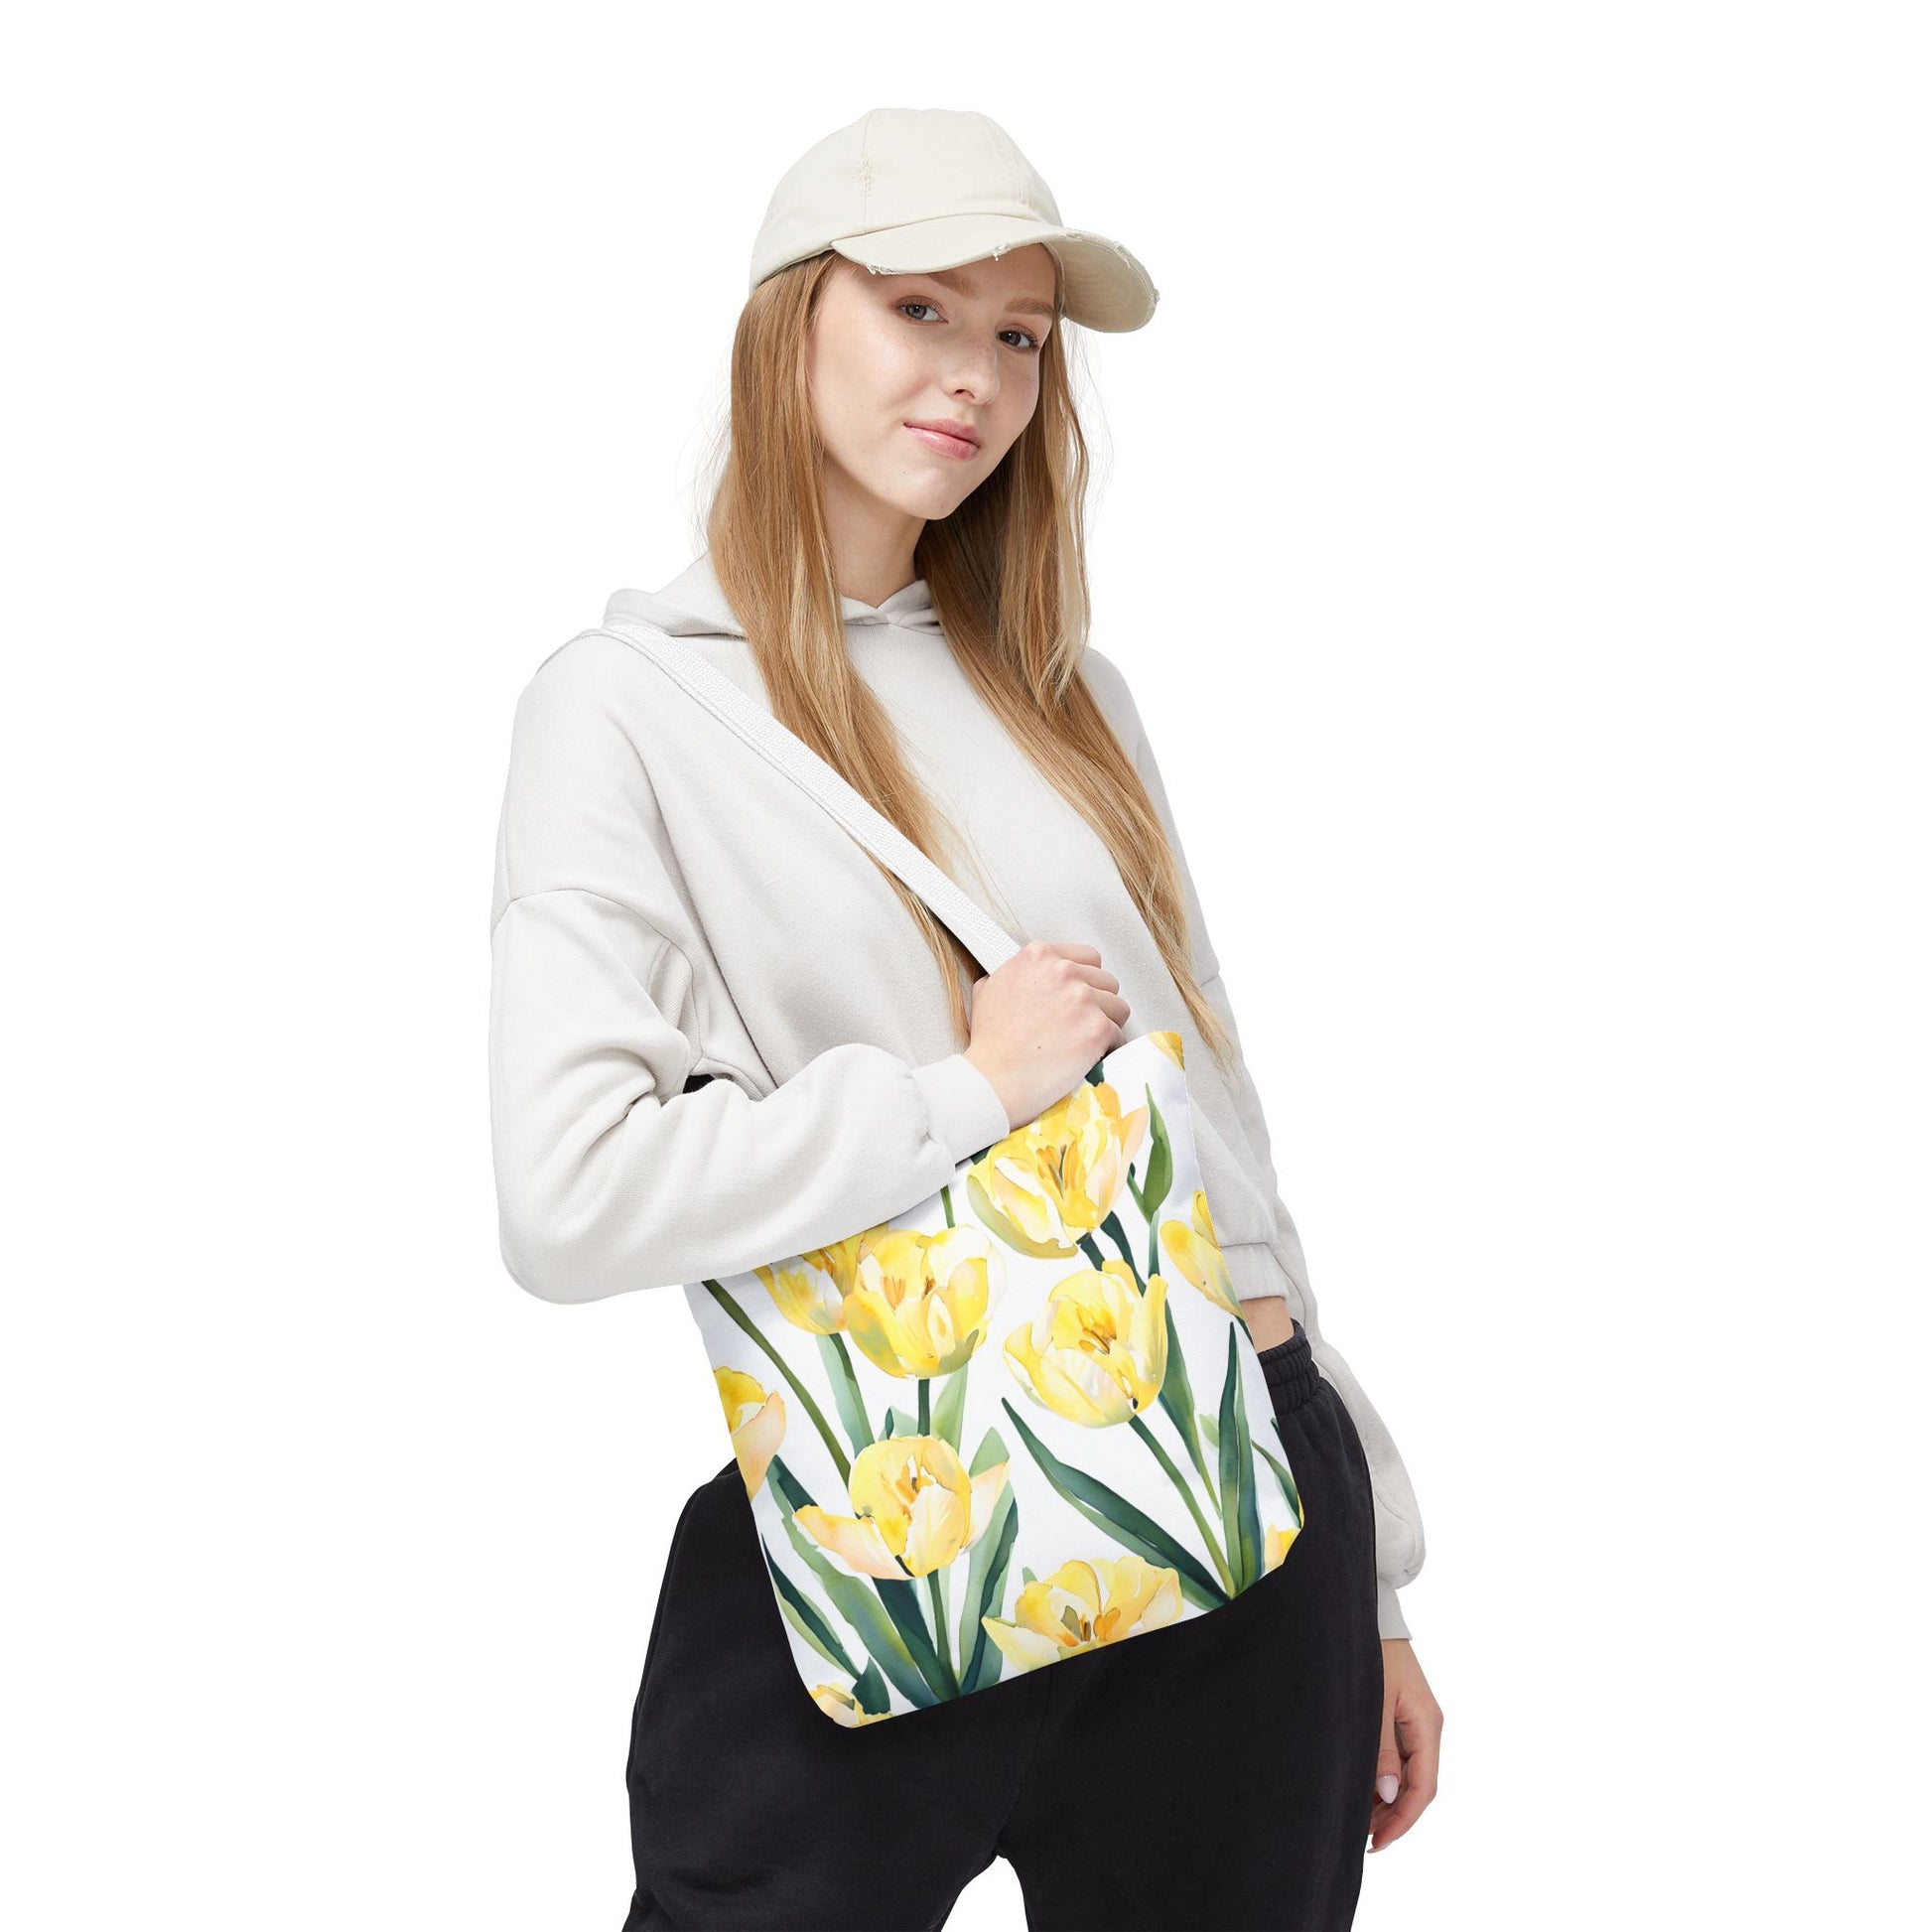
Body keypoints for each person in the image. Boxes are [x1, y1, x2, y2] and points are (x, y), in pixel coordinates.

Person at [488, 106, 1441, 1932]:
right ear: (789, 322)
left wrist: (1377, 1576)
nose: (978, 377)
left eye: (1018, 334)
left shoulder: (1067, 691)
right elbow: (570, 1193)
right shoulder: (628, 709)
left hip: (1241, 1491)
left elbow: (1218, 1146)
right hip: (887, 1505)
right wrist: (968, 1089)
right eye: (919, 307)